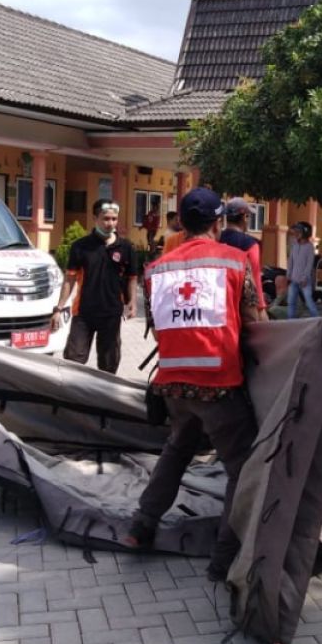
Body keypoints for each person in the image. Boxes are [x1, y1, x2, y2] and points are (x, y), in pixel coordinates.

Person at [124, 188, 260, 581]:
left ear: (181, 223)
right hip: (218, 384)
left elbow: (160, 325)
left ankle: (142, 525)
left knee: (178, 448)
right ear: (219, 223)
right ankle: (224, 556)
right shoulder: (234, 262)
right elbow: (254, 322)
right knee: (242, 466)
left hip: (173, 385)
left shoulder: (158, 269)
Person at [53, 200, 137, 373]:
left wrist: (132, 303)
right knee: (73, 362)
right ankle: (72, 398)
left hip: (111, 314)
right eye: (106, 218)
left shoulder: (126, 247)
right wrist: (59, 308)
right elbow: (69, 279)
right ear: (95, 218)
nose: (110, 223)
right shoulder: (80, 247)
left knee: (108, 365)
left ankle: (104, 399)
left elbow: (132, 278)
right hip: (83, 313)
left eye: (114, 219)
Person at [220, 197, 267, 320]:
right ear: (244, 217)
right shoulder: (250, 244)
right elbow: (255, 278)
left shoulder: (216, 240)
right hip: (243, 307)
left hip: (219, 302)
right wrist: (261, 309)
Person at [286, 221, 319, 319]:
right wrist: (288, 274)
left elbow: (309, 264)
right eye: (295, 231)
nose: (296, 234)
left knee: (308, 302)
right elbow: (291, 260)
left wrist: (305, 278)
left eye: (298, 232)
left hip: (305, 280)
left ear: (305, 232)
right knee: (291, 302)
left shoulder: (309, 247)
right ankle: (290, 322)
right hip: (294, 279)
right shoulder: (295, 245)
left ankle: (317, 320)